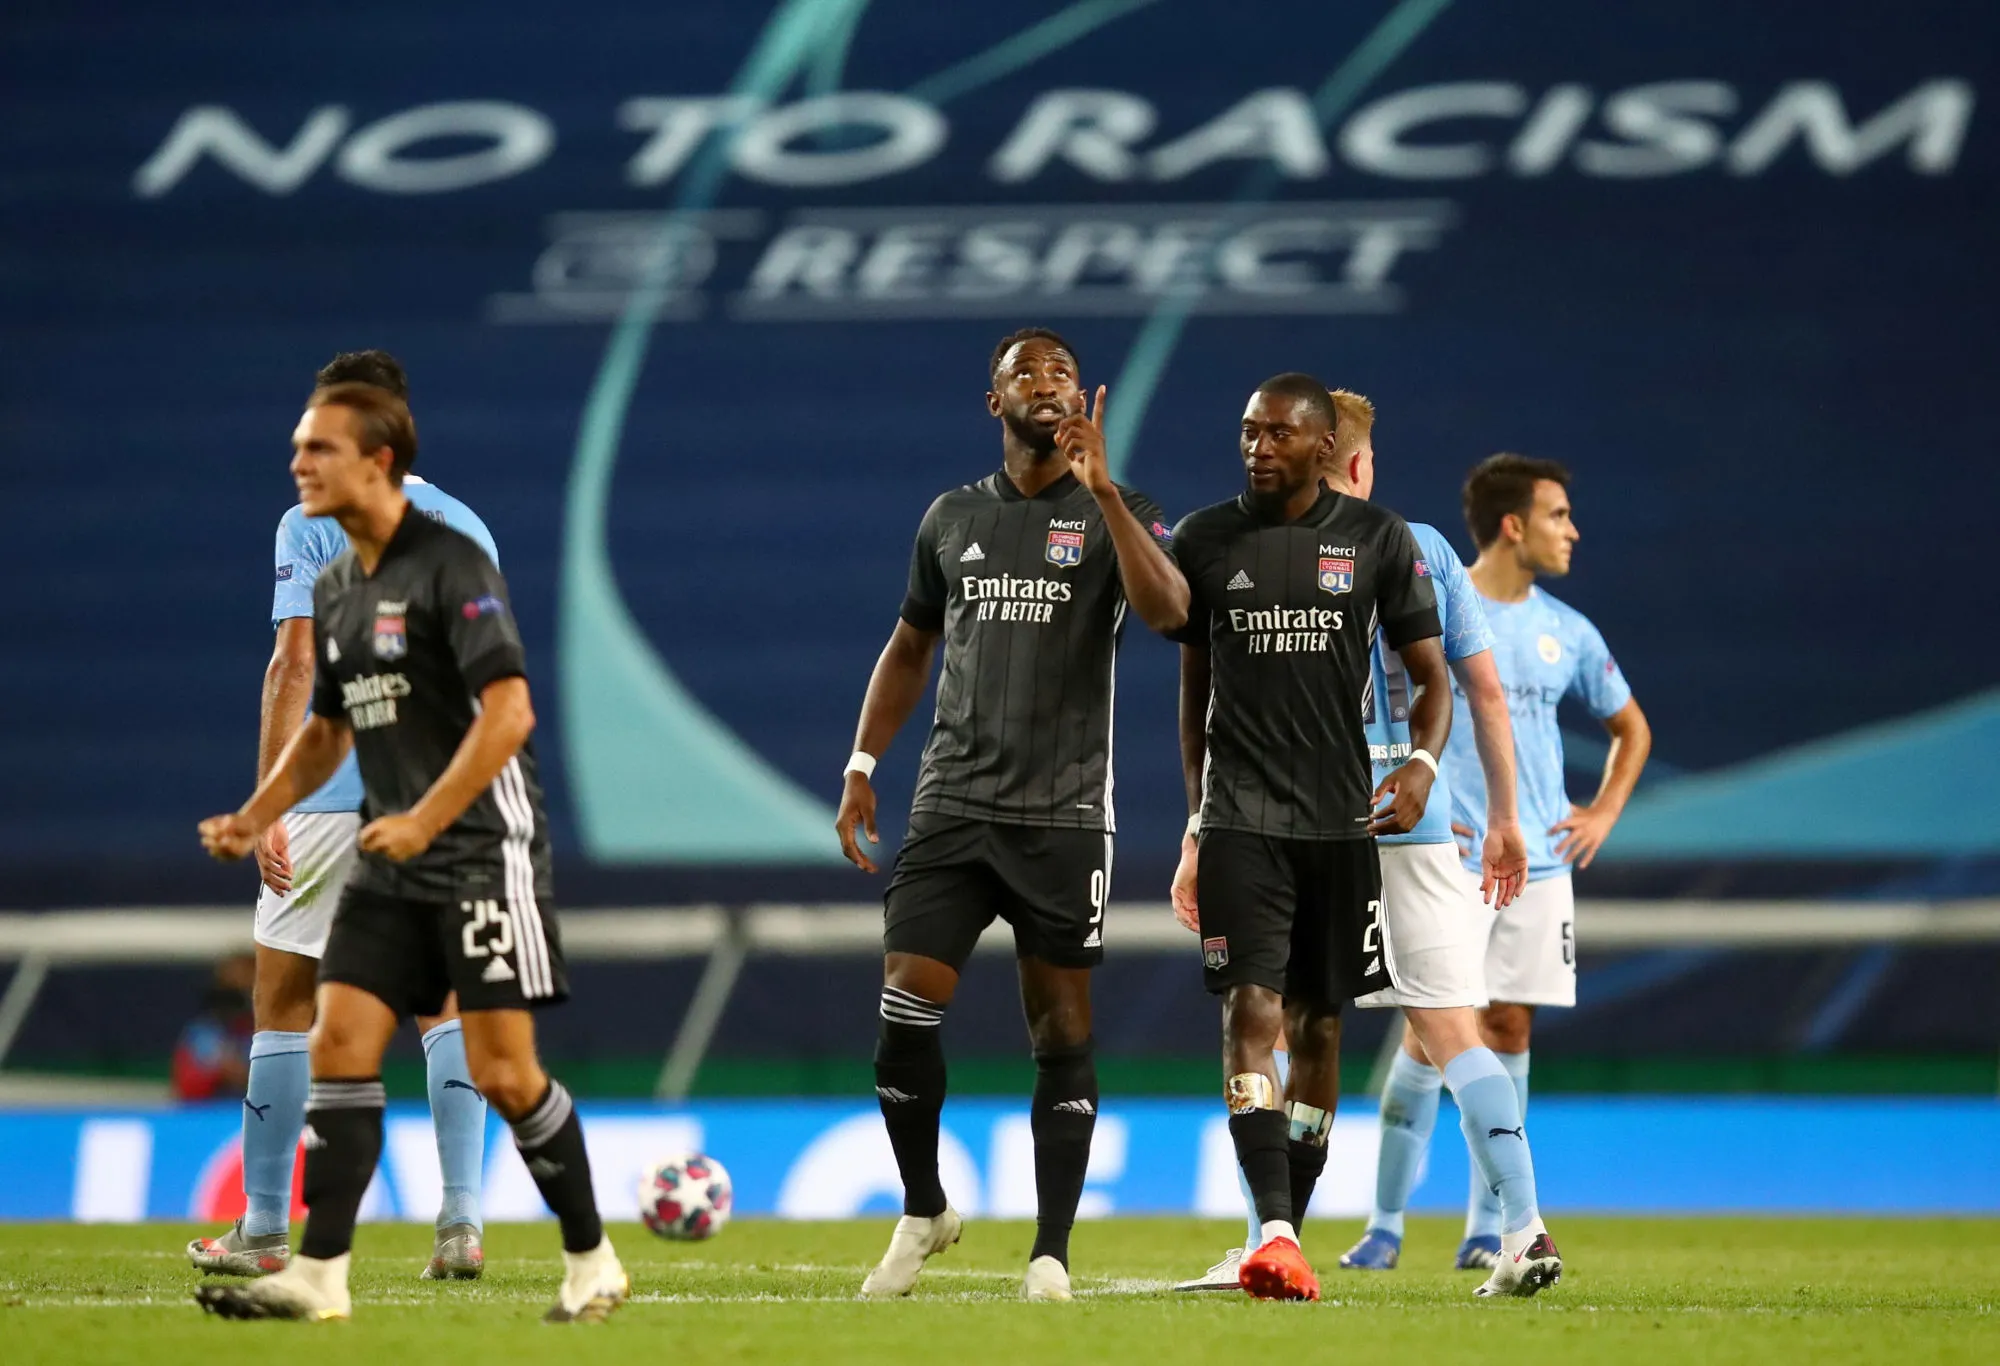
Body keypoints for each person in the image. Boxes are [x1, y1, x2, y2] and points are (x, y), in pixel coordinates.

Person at [194, 383, 626, 1324]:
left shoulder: (452, 562)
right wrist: (256, 809)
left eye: (321, 449)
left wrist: (429, 818)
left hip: (475, 837)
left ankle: (591, 1257)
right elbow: (327, 725)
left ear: (378, 459)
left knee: (508, 1068)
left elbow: (509, 711)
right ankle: (318, 1273)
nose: (300, 465)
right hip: (388, 833)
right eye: (299, 448)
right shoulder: (341, 578)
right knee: (342, 1040)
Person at [1177, 390, 1558, 1298]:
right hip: (1409, 818)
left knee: (1268, 1022)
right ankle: (1521, 1222)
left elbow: (1213, 696)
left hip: (1290, 814)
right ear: (1356, 462)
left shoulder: (1262, 542)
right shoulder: (1413, 544)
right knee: (1440, 1029)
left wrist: (1199, 827)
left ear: (1319, 453)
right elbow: (1479, 691)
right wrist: (1500, 811)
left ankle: (1276, 1235)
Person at [835, 327, 1188, 1302]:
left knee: (1059, 1032)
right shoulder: (950, 517)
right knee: (904, 1005)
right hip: (950, 804)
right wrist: (864, 760)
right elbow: (909, 646)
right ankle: (921, 1205)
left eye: (1062, 374)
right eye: (1025, 374)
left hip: (1062, 816)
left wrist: (1108, 491)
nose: (1047, 384)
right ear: (994, 403)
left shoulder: (1123, 512)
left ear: (1081, 402)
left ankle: (1049, 1254)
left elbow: (1171, 613)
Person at [188, 351, 494, 1284]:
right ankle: (460, 1224)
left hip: (329, 795)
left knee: (284, 1000)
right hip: (437, 797)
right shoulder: (467, 523)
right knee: (442, 1004)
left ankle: (269, 1228)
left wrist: (264, 801)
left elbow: (293, 662)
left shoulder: (312, 520)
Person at [1166, 373, 1447, 1303]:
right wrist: (1197, 820)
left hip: (1339, 823)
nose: (1258, 448)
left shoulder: (1377, 539)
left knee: (1319, 1028)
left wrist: (1420, 766)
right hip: (1244, 819)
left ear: (1324, 447)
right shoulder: (1206, 540)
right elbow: (1192, 689)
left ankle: (1288, 1230)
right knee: (1251, 1015)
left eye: (1278, 434)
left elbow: (1430, 678)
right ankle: (1276, 1232)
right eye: (1248, 431)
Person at [1430, 453, 1652, 1269]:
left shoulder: (1568, 630)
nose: (1574, 531)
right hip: (1452, 856)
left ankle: (1489, 1225)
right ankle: (1387, 1224)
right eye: (1559, 515)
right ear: (1513, 524)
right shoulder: (1442, 613)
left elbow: (1633, 729)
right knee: (1440, 1028)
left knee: (1509, 1022)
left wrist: (1602, 812)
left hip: (1540, 863)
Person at [172, 954, 256, 1102]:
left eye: (246, 988)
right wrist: (217, 1072)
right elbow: (184, 1089)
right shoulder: (201, 1033)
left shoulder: (274, 1033)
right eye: (230, 988)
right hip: (209, 1115)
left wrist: (248, 1074)